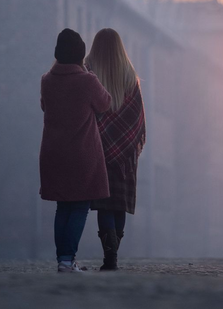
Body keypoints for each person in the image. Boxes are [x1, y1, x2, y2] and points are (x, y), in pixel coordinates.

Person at [39, 29, 113, 273]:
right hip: (81, 154)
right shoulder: (87, 80)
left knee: (63, 206)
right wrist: (90, 75)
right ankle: (68, 259)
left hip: (53, 153)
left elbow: (44, 106)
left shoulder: (47, 81)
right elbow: (105, 103)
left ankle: (64, 259)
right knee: (80, 206)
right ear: (81, 55)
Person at [84, 28, 146, 271]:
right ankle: (113, 255)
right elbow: (137, 120)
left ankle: (109, 255)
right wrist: (128, 146)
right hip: (125, 156)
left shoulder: (89, 72)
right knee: (118, 204)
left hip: (96, 149)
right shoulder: (130, 76)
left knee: (104, 204)